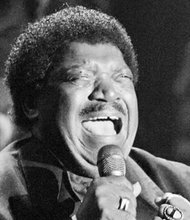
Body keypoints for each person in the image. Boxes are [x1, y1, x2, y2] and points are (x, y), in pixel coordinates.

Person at [0, 5, 190, 220]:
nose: (109, 92)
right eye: (80, 77)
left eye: (122, 78)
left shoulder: (180, 182)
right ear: (31, 103)